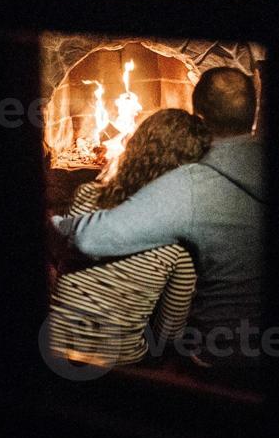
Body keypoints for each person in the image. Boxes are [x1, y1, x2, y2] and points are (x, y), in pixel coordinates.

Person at [52, 67, 264, 374]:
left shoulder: (188, 189)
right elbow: (169, 331)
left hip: (218, 361)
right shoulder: (180, 245)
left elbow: (87, 238)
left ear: (201, 117)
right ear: (253, 112)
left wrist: (53, 226)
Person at [47, 108, 213, 369]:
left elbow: (61, 254)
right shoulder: (183, 239)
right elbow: (167, 334)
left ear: (136, 147)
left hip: (53, 351)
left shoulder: (86, 194)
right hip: (121, 366)